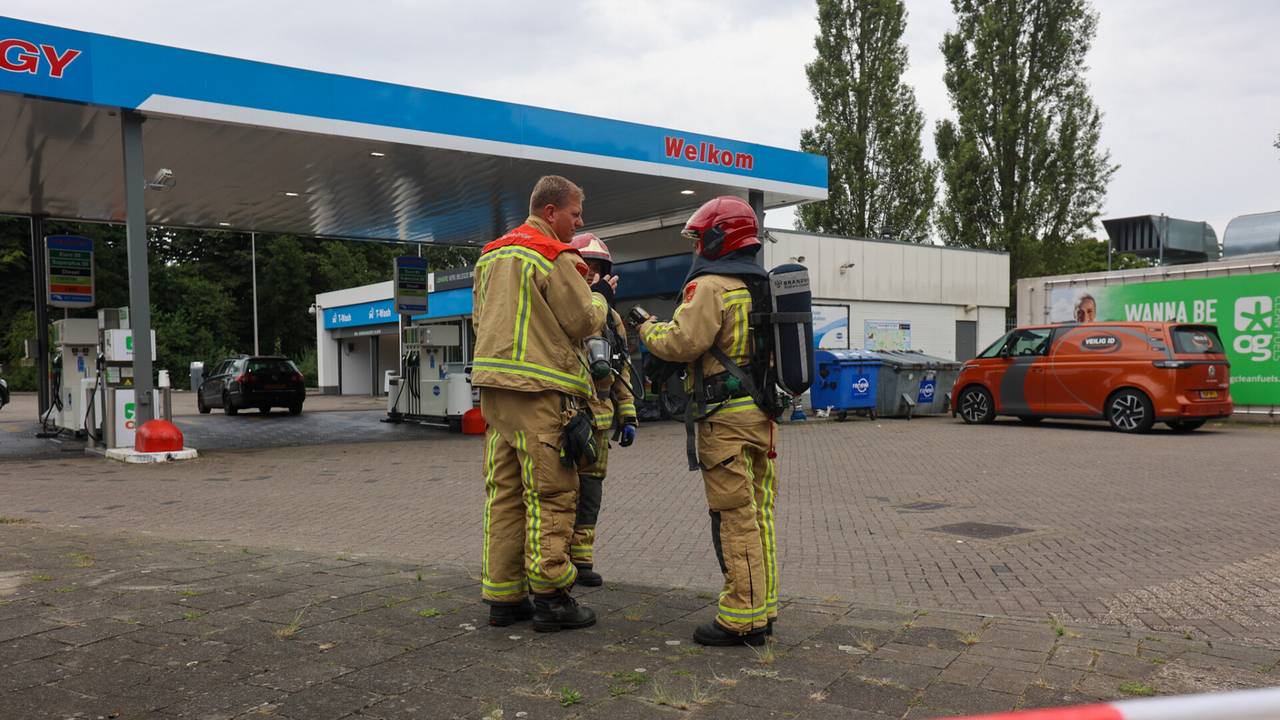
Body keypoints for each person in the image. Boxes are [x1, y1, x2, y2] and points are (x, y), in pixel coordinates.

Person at [631, 196, 779, 647]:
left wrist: (645, 328)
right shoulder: (759, 285)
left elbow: (682, 342)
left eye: (698, 239)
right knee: (759, 513)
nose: (696, 247)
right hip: (760, 417)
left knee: (734, 516)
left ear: (718, 238)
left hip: (724, 420)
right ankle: (764, 606)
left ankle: (741, 617)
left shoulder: (710, 287)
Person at [472, 175, 616, 632]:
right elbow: (583, 321)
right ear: (550, 212)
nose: (580, 222)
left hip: (496, 394)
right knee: (551, 492)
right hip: (541, 392)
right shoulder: (554, 254)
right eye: (575, 213)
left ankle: (504, 596)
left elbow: (481, 320)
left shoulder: (490, 255)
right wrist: (601, 296)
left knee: (505, 494)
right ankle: (552, 598)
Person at [567, 233, 637, 587]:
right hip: (568, 417)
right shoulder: (564, 308)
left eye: (598, 268)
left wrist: (628, 415)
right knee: (563, 492)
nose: (592, 274)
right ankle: (556, 559)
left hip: (599, 423)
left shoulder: (612, 318)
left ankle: (582, 559)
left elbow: (621, 367)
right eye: (586, 267)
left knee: (591, 492)